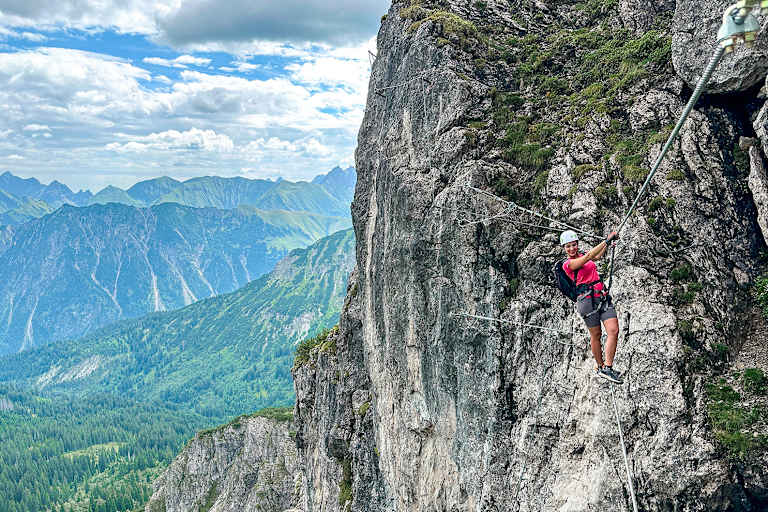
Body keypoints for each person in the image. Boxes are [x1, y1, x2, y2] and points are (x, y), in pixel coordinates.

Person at [560, 229, 623, 384]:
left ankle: (608, 367)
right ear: (564, 248)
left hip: (600, 295)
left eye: (574, 245)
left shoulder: (583, 257)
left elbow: (597, 256)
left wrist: (608, 244)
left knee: (614, 330)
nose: (572, 249)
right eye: (568, 246)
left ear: (577, 244)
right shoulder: (568, 264)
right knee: (596, 335)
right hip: (586, 302)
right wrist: (607, 240)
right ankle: (600, 366)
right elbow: (589, 256)